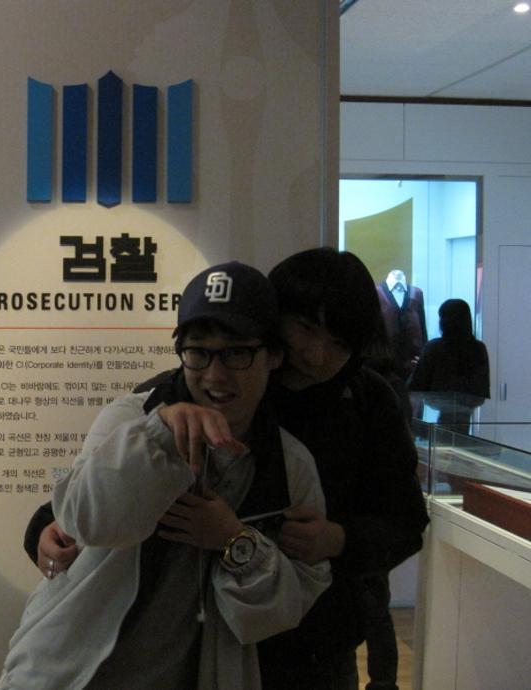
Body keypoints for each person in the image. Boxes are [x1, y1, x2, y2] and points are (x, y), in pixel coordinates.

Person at [28, 248, 430, 690]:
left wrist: (338, 539)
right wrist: (49, 526)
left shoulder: (365, 406)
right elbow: (104, 472)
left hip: (314, 639)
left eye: (339, 344)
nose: (316, 355)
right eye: (305, 328)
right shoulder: (180, 394)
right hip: (202, 640)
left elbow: (405, 522)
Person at [0, 262, 331, 690]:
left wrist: (232, 540)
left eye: (236, 353)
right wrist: (157, 436)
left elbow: (283, 609)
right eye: (198, 352)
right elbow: (85, 518)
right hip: (68, 673)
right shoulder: (131, 417)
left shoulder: (290, 465)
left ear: (273, 356)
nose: (215, 374)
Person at [408, 298, 490, 426]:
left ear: (443, 321)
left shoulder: (433, 347)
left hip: (436, 412)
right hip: (467, 412)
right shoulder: (478, 348)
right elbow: (482, 389)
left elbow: (416, 385)